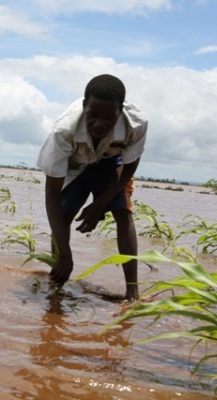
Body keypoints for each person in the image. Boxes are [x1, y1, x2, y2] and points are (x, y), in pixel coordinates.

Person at [36, 74, 147, 301]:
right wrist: (66, 254)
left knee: (123, 213)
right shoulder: (63, 131)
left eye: (109, 118)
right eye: (92, 116)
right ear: (84, 105)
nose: (99, 124)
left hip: (110, 161)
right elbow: (52, 196)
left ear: (120, 112)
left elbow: (129, 167)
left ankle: (132, 292)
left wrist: (101, 204)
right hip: (75, 164)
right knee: (64, 212)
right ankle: (57, 277)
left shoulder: (135, 124)